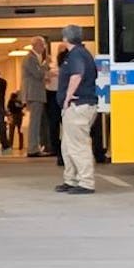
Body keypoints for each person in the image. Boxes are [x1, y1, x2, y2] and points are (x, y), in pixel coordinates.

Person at [54, 25, 99, 195]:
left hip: (78, 106)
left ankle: (86, 182)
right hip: (79, 106)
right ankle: (71, 179)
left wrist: (67, 97)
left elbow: (77, 75)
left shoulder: (76, 55)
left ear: (65, 39)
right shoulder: (81, 53)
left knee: (78, 145)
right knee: (67, 145)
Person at [23, 36, 50, 158]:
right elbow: (38, 74)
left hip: (35, 94)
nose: (44, 48)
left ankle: (34, 147)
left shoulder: (33, 58)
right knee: (34, 122)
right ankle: (32, 148)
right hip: (34, 93)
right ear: (37, 45)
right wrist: (46, 65)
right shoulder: (30, 58)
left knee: (36, 122)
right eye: (42, 45)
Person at [47, 45, 68, 166]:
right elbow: (47, 78)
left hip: (64, 96)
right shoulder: (52, 66)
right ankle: (58, 151)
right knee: (53, 126)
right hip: (53, 96)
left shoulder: (68, 64)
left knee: (66, 126)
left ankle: (63, 153)